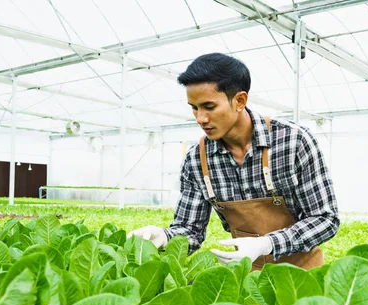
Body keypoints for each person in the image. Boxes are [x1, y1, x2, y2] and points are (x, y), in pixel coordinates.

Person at [128, 53, 339, 270]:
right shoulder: (196, 160)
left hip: (301, 275)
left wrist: (267, 244)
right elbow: (189, 231)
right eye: (194, 107)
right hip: (245, 275)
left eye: (209, 107)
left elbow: (325, 219)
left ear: (239, 101)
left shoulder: (293, 141)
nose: (200, 118)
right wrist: (163, 236)